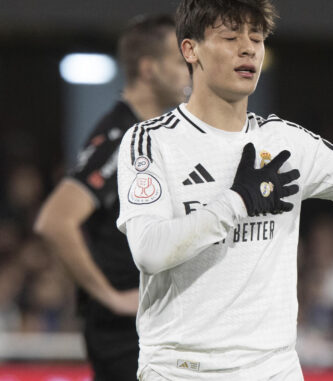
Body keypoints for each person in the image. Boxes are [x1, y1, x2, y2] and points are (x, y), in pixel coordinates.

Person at [114, 1, 333, 380]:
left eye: (257, 38)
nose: (248, 48)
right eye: (230, 37)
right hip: (182, 369)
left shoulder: (283, 141)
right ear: (189, 49)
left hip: (273, 367)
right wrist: (238, 201)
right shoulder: (151, 141)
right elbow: (149, 250)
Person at [34, 14, 190, 381]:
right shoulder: (121, 137)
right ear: (149, 69)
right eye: (179, 62)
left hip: (150, 325)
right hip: (123, 333)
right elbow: (55, 221)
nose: (190, 71)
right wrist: (110, 296)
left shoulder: (151, 136)